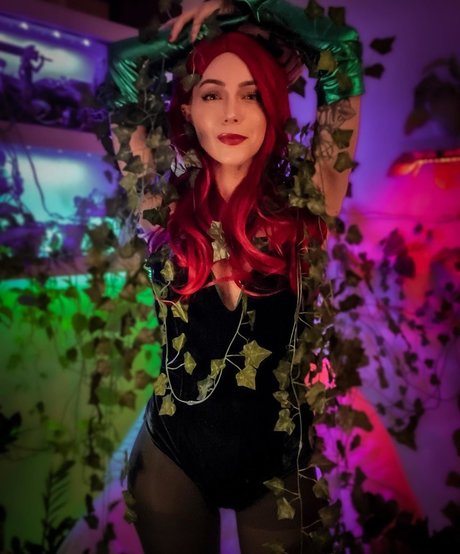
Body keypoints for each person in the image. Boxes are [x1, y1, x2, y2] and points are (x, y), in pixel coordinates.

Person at [107, 1, 363, 552]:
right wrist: (209, 28)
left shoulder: (309, 203)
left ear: (272, 106)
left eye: (251, 95)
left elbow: (340, 50)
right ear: (188, 108)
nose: (230, 115)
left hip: (278, 466)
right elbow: (124, 65)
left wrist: (250, 7)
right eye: (211, 94)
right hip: (171, 458)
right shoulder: (160, 207)